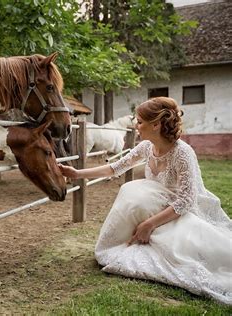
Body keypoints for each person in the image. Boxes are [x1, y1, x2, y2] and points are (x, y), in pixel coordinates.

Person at [59, 97, 232, 304]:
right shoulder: (146, 147)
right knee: (131, 190)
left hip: (179, 211)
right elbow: (116, 167)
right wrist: (77, 173)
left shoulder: (183, 153)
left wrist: (149, 225)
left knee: (191, 256)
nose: (136, 126)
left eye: (140, 122)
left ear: (156, 124)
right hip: (156, 204)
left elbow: (186, 200)